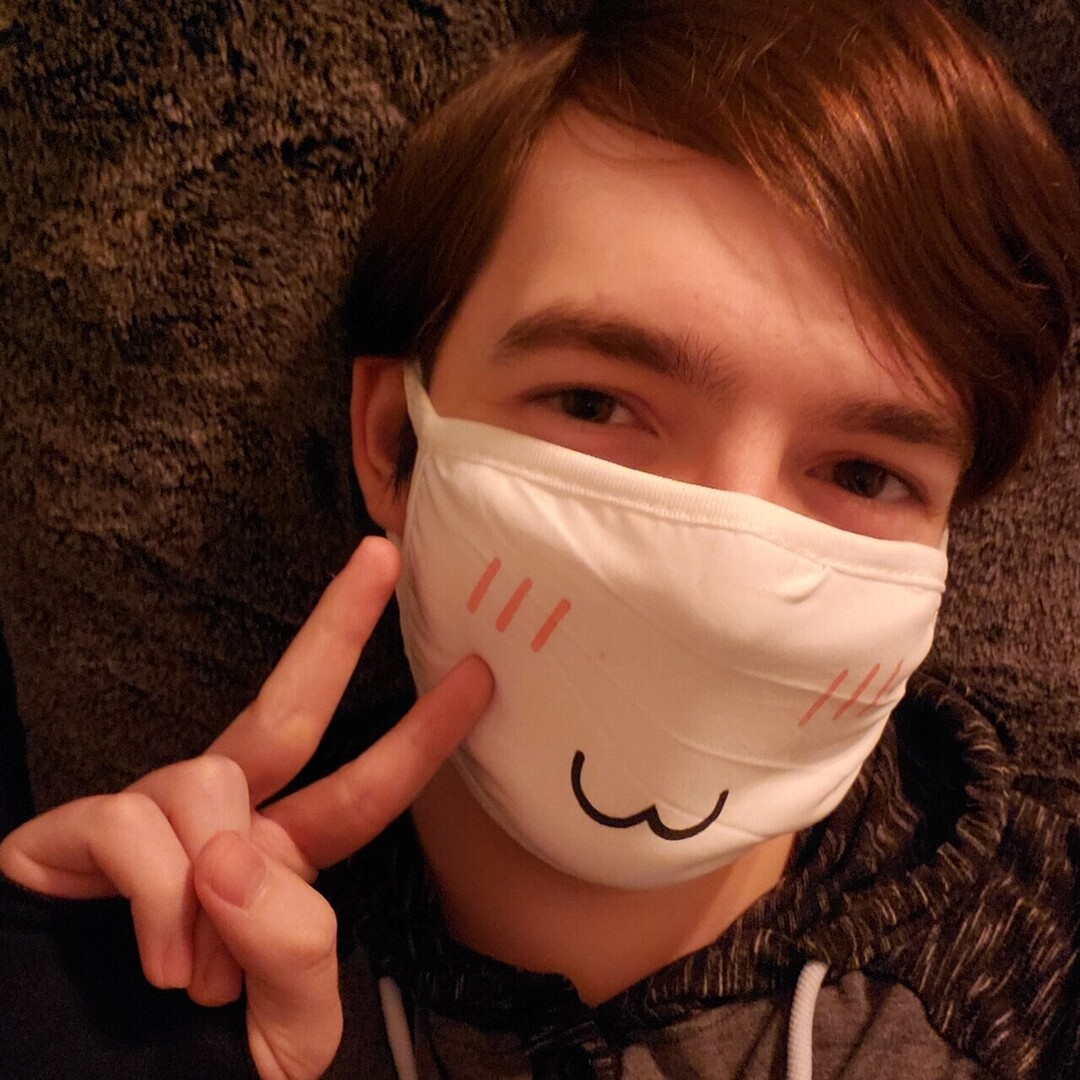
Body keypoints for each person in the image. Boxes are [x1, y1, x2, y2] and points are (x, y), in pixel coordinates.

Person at [2, 0, 1079, 1078]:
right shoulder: (171, 970)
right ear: (390, 438)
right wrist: (87, 1012)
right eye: (594, 404)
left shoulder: (1043, 971)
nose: (722, 596)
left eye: (863, 474)